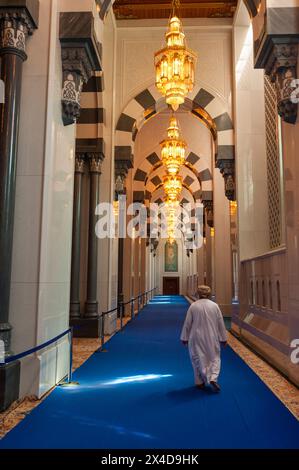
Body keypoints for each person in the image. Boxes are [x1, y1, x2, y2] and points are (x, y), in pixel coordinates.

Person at [181, 285, 228, 392]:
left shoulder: (193, 306)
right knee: (214, 357)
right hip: (212, 336)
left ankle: (199, 382)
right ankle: (213, 378)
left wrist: (184, 337)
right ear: (209, 294)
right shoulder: (215, 306)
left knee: (197, 358)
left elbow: (187, 323)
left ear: (198, 294)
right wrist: (223, 338)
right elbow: (220, 323)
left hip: (195, 337)